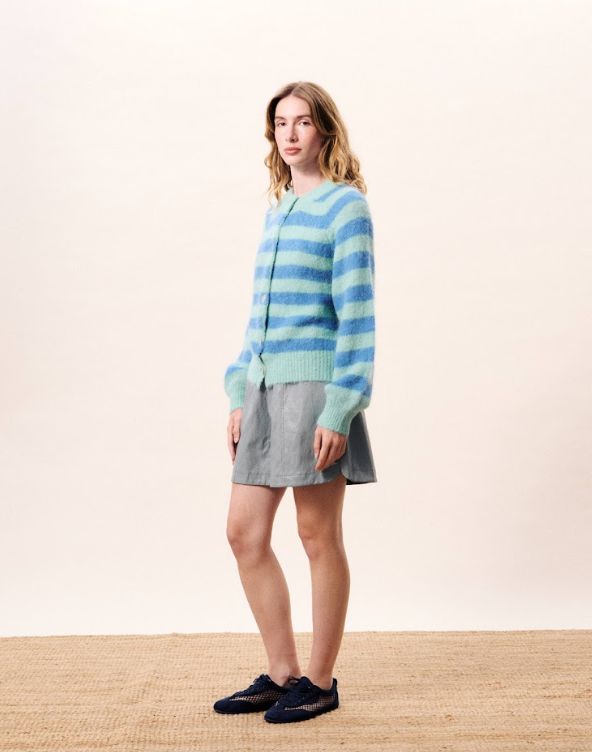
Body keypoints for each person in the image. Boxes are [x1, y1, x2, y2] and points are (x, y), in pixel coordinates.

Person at [214, 81, 377, 724]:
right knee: (243, 533)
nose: (290, 133)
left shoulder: (346, 208)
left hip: (315, 391)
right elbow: (258, 315)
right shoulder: (278, 210)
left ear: (324, 130)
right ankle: (282, 673)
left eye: (303, 121)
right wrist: (239, 390)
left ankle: (321, 680)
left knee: (316, 535)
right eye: (281, 123)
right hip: (261, 390)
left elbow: (357, 315)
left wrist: (340, 408)